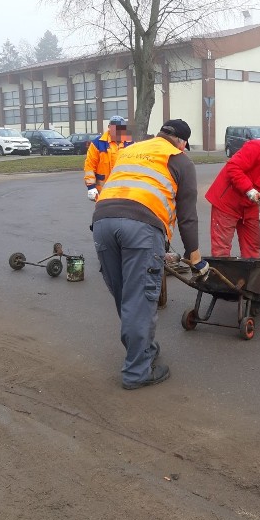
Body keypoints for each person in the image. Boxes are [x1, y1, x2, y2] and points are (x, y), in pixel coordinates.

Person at [92, 119, 209, 390]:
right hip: (141, 228)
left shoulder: (130, 150)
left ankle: (144, 349)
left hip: (102, 222)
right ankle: (137, 372)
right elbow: (187, 217)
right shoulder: (179, 159)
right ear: (182, 142)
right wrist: (195, 259)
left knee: (125, 297)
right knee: (140, 300)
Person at [84, 115, 133, 201]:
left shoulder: (131, 144)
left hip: (125, 191)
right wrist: (91, 187)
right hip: (104, 191)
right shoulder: (98, 143)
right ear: (109, 127)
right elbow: (90, 166)